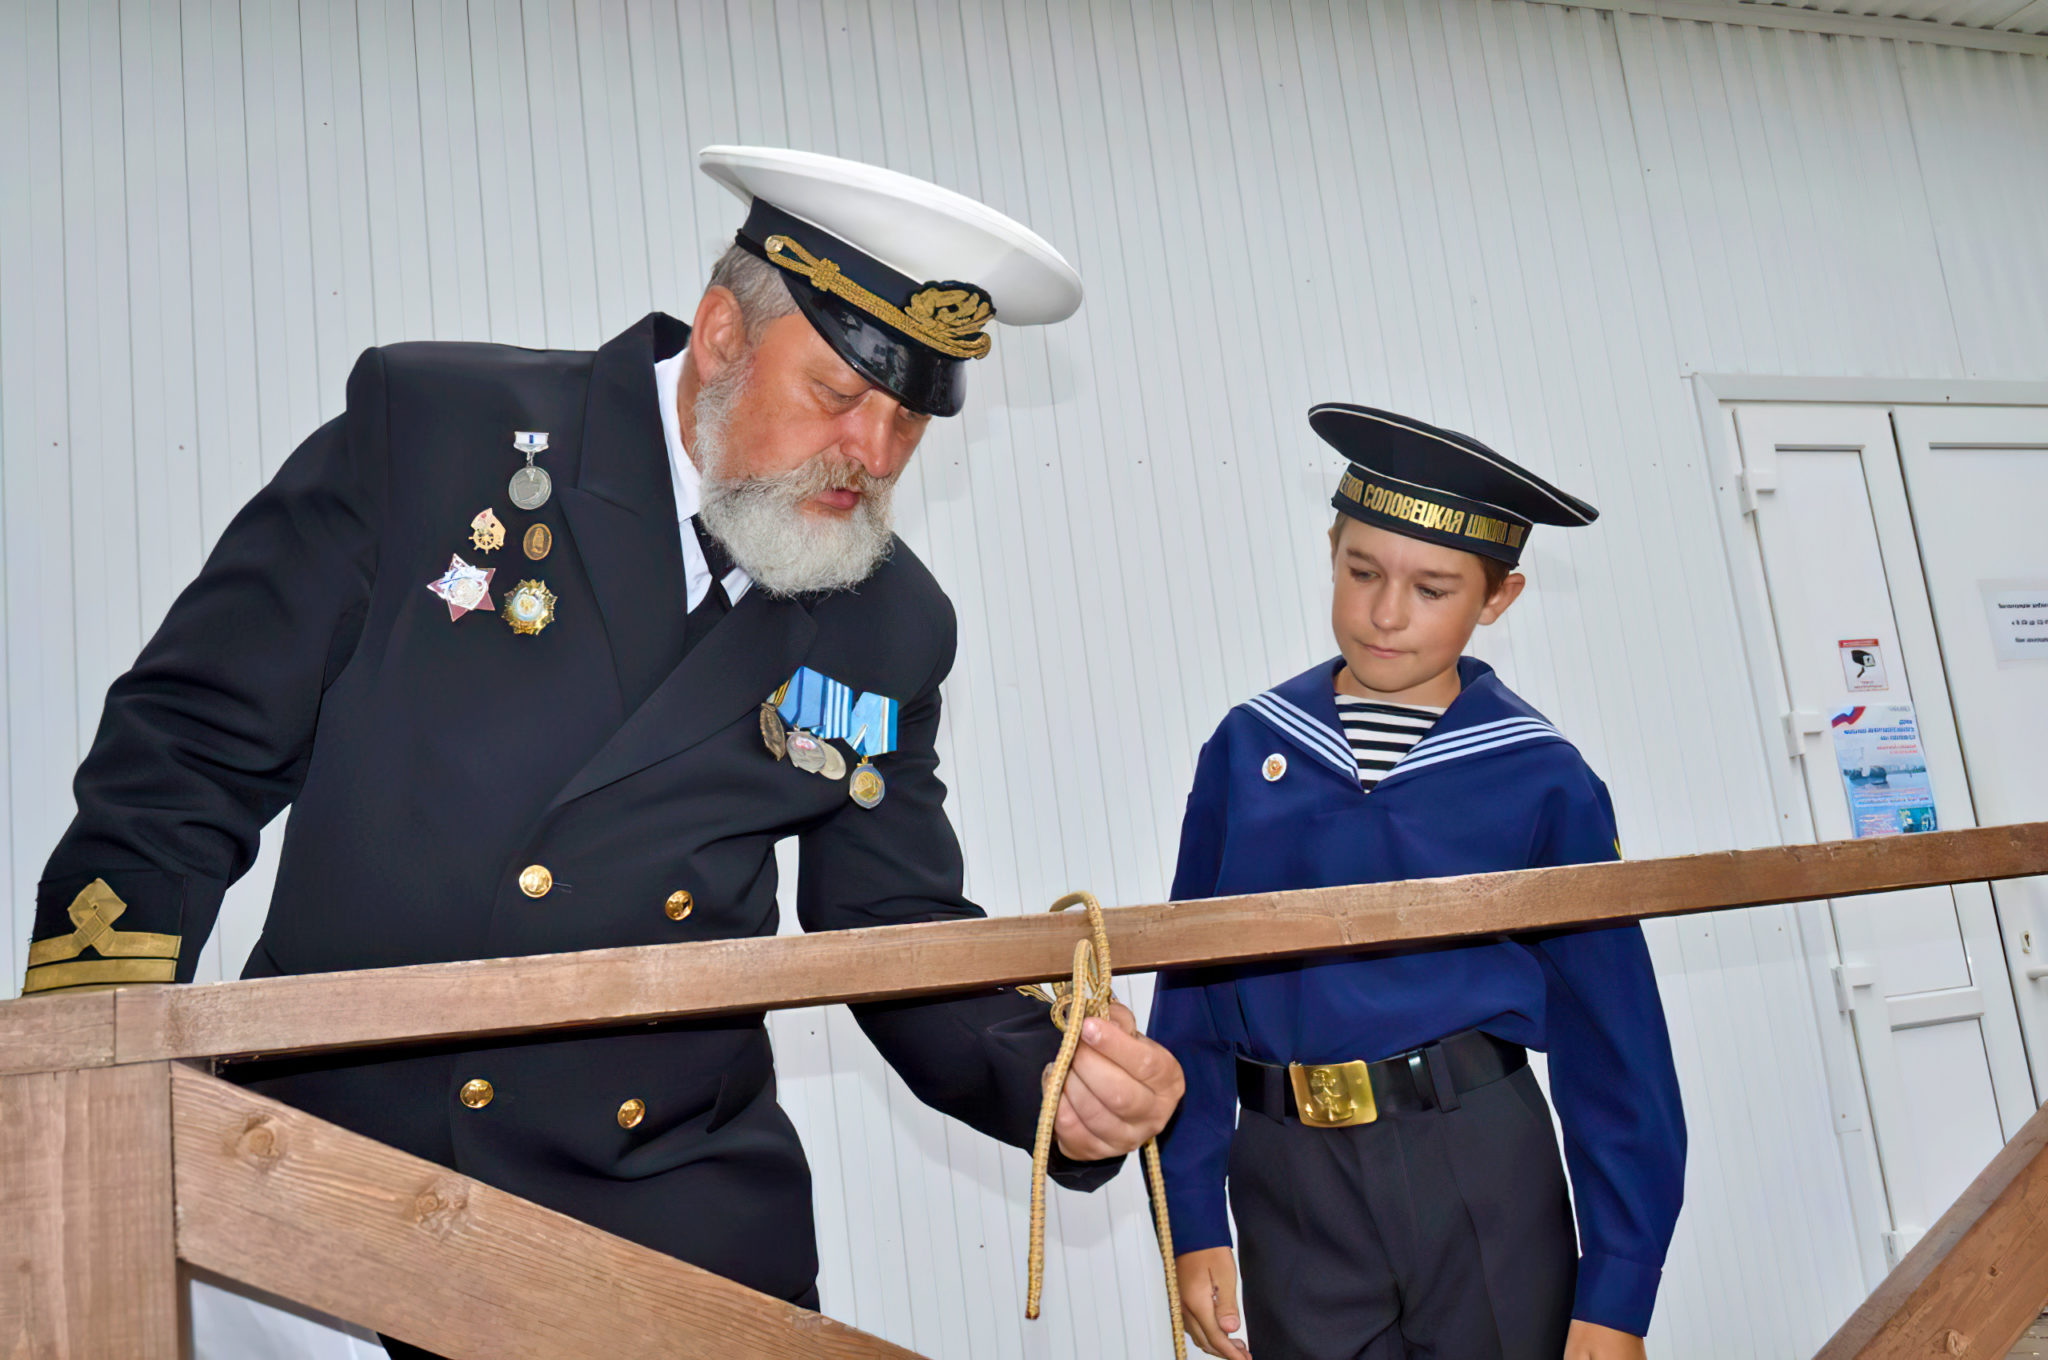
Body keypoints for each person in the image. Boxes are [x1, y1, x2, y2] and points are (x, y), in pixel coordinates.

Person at [22, 146, 1183, 1356]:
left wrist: (1057, 1082)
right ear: (724, 334)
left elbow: (887, 915)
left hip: (666, 1214)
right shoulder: (432, 431)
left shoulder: (887, 618)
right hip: (339, 1183)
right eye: (843, 394)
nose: (875, 453)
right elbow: (191, 744)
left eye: (910, 418)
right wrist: (94, 1038)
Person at [1151, 404, 1685, 1360]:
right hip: (1288, 1181)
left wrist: (1617, 1292)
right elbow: (1188, 1000)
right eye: (1361, 572)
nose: (1386, 613)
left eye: (1432, 588)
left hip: (1478, 1168)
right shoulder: (1249, 749)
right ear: (1331, 551)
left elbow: (1619, 1041)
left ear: (1498, 598)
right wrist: (1191, 1214)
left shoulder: (1540, 775)